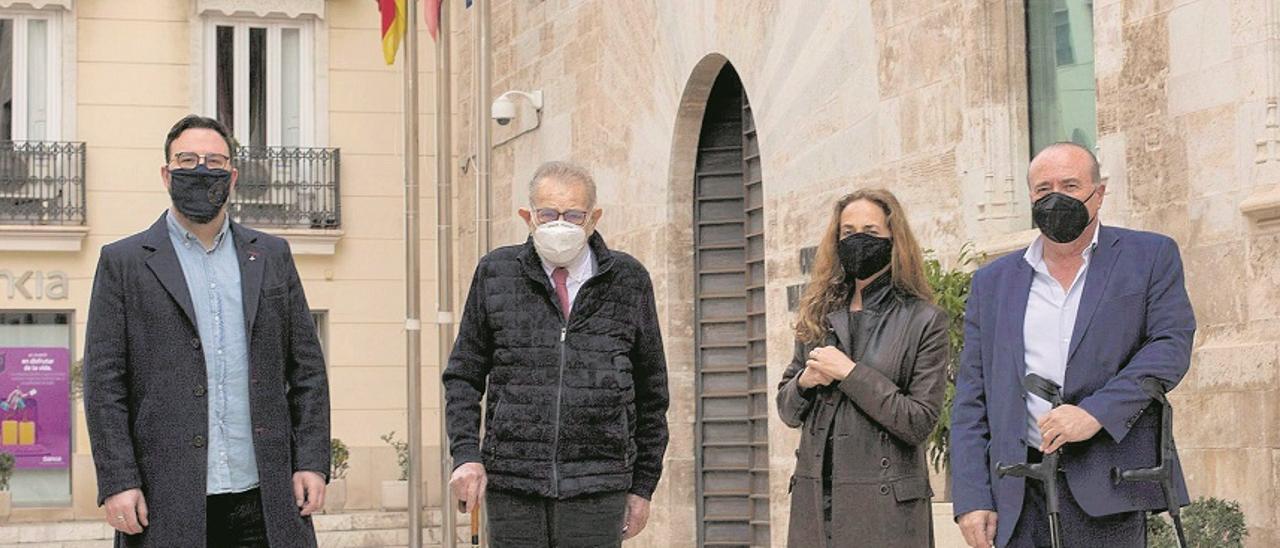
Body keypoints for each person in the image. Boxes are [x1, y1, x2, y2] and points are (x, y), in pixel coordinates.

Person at [83, 115, 331, 547]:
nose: (201, 171)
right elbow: (104, 384)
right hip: (165, 503)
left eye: (214, 161)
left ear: (232, 176)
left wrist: (311, 461)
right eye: (187, 159)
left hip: (265, 499)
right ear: (166, 173)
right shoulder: (123, 263)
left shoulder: (272, 256)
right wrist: (118, 479)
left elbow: (307, 369)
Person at [951, 142, 1195, 548]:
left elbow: (1169, 347)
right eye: (1043, 189)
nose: (1055, 198)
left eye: (1069, 185)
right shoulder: (992, 283)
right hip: (1018, 493)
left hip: (1108, 486)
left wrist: (1095, 413)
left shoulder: (1150, 256)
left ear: (1098, 193)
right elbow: (972, 397)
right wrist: (973, 496)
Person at [443, 161, 670, 547]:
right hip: (513, 483)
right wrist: (466, 454)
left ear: (594, 217)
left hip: (598, 486)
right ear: (527, 217)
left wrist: (643, 486)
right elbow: (463, 375)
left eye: (574, 214)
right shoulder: (495, 273)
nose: (559, 224)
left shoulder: (629, 280)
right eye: (548, 213)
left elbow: (653, 393)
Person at [777, 189, 949, 547]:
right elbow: (787, 410)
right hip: (815, 505)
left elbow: (918, 421)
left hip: (885, 514)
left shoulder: (924, 319)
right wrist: (805, 382)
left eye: (870, 232)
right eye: (848, 232)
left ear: (893, 239)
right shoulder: (819, 312)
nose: (858, 241)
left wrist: (850, 374)